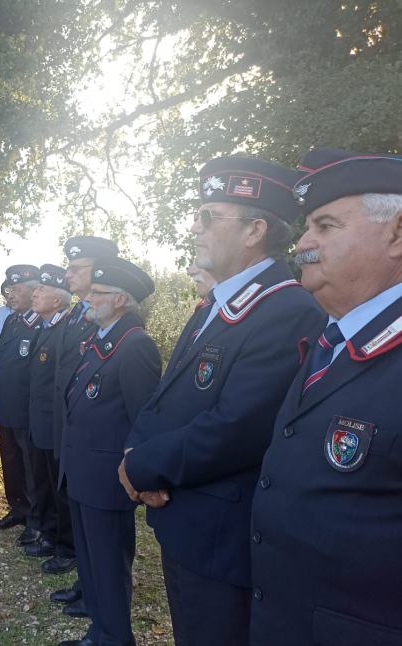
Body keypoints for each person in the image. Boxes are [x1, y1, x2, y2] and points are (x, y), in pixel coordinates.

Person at [118, 156, 325, 644]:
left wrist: (144, 467)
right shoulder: (217, 303)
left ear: (254, 230)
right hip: (184, 517)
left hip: (222, 536)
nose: (196, 227)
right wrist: (135, 452)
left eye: (209, 216)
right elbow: (167, 395)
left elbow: (239, 426)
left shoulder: (286, 309)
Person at [250, 149, 402, 645]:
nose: (302, 244)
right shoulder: (331, 340)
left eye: (326, 225)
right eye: (306, 227)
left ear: (397, 233)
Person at [59, 259, 161, 646]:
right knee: (91, 565)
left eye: (97, 294)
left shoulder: (135, 346)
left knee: (108, 567)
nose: (88, 300)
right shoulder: (100, 340)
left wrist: (139, 473)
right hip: (83, 473)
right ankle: (99, 632)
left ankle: (116, 638)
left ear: (120, 299)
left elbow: (146, 419)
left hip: (107, 481)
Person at [48, 235, 119, 613]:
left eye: (77, 268)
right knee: (73, 506)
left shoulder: (112, 317)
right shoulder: (78, 312)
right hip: (69, 425)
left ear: (101, 271)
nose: (68, 274)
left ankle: (99, 590)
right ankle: (86, 580)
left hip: (94, 437)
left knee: (98, 526)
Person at [0, 265, 42, 535]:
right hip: (6, 405)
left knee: (31, 467)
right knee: (10, 462)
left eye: (18, 289)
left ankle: (36, 518)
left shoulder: (41, 323)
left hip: (26, 408)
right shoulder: (12, 321)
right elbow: (1, 356)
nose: (11, 295)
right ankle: (17, 508)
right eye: (10, 290)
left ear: (35, 290)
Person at [25, 265, 71, 560]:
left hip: (55, 424)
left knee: (58, 488)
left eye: (42, 289)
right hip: (38, 422)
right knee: (43, 482)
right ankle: (50, 534)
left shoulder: (64, 330)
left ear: (58, 300)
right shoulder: (44, 328)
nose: (35, 293)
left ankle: (65, 545)